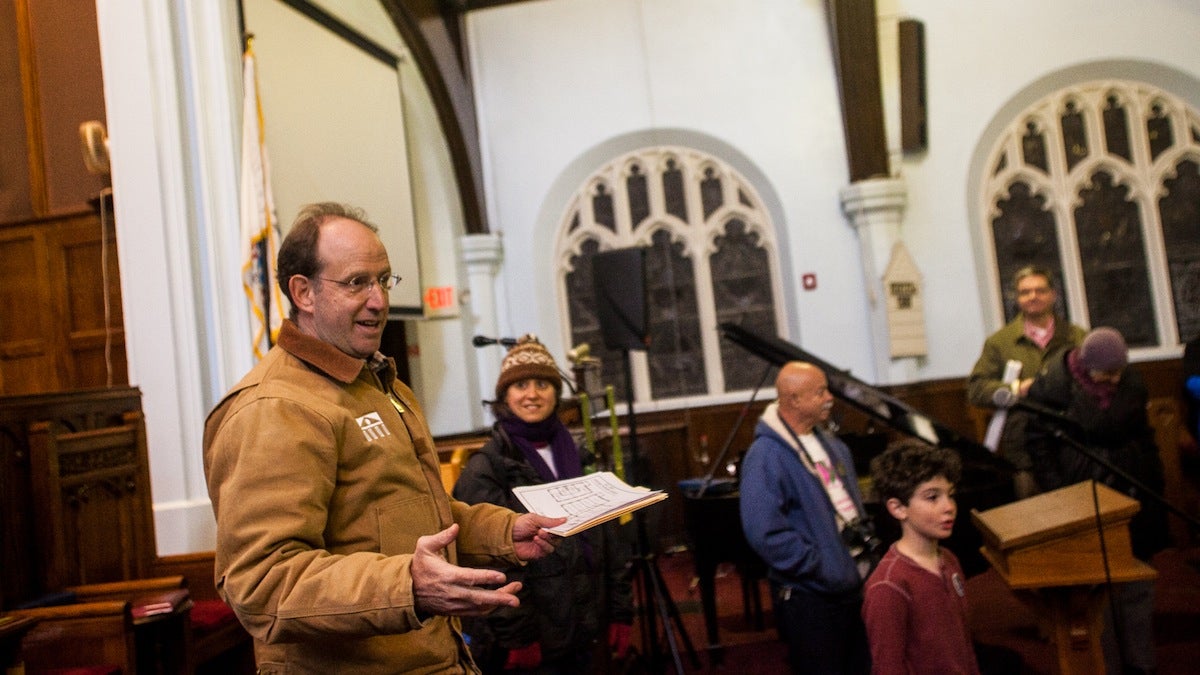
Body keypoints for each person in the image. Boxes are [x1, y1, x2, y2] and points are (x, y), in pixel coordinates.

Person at [202, 202, 565, 673]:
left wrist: (501, 532)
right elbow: (262, 582)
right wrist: (408, 585)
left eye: (384, 280)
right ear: (303, 292)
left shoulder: (374, 384)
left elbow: (407, 515)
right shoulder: (274, 408)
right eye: (356, 282)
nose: (378, 300)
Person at [452, 336, 634, 673]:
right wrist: (517, 636)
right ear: (505, 396)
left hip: (585, 625)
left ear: (556, 392)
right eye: (520, 384)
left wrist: (620, 611)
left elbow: (609, 541)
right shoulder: (488, 467)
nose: (532, 393)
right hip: (534, 637)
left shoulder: (579, 454)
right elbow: (485, 560)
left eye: (542, 383)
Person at [1025, 327, 1168, 675]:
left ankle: (1141, 664)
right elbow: (1039, 446)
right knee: (1095, 591)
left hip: (1132, 488)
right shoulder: (1054, 389)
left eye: (1119, 371)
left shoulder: (1131, 383)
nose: (1114, 379)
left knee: (1136, 581)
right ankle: (1108, 666)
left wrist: (1154, 486)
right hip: (1081, 492)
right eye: (1107, 373)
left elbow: (1143, 436)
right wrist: (1059, 490)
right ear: (1086, 366)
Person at [740, 361, 873, 675]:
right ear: (794, 400)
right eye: (820, 392)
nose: (830, 398)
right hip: (812, 596)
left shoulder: (834, 446)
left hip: (853, 585)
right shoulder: (765, 456)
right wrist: (821, 566)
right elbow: (765, 533)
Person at [967, 265, 1087, 498]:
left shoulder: (1077, 337)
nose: (1033, 297)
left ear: (1053, 294)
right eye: (1025, 292)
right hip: (1023, 450)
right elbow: (976, 389)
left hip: (1073, 442)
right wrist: (1016, 389)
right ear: (1017, 298)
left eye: (1040, 290)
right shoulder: (1000, 343)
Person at [862, 440, 980, 675]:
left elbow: (964, 647)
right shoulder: (888, 586)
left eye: (951, 495)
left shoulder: (949, 560)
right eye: (932, 497)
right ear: (898, 508)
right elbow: (888, 668)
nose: (949, 507)